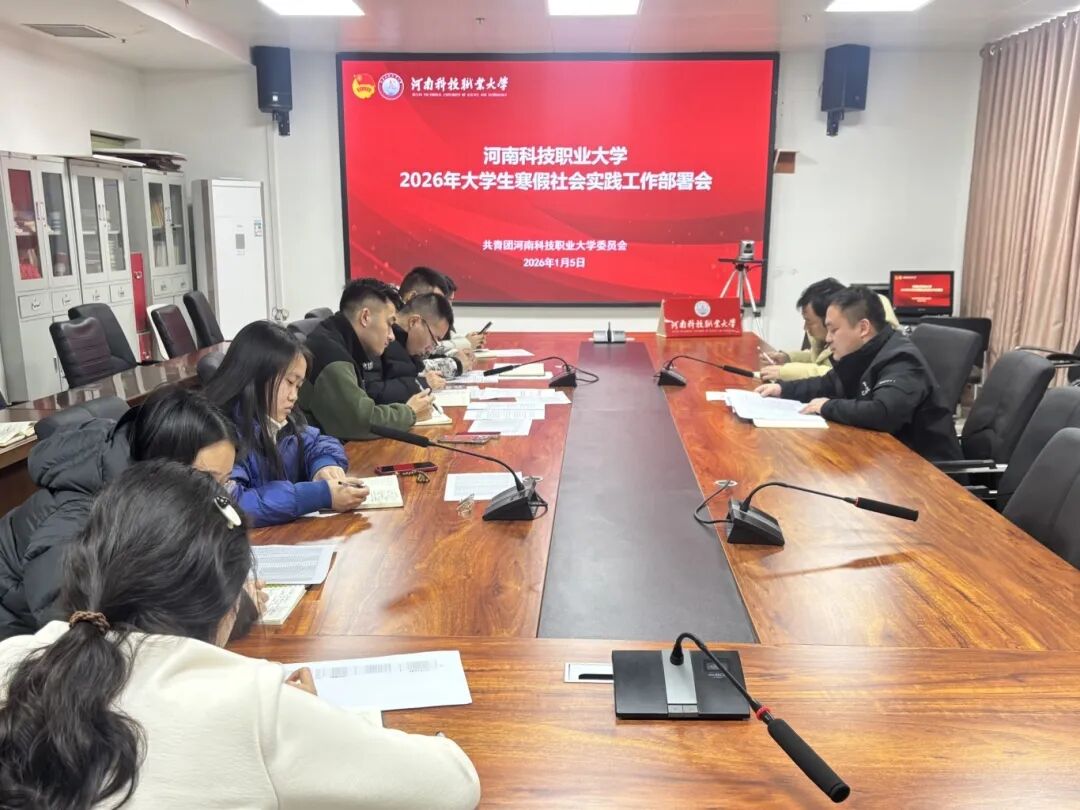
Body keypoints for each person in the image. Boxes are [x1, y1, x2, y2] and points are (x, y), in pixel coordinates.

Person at [0, 460, 482, 808]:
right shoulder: (247, 703)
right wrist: (313, 716)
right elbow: (452, 784)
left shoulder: (16, 656)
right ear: (228, 599)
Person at [0, 386, 240, 640]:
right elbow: (71, 624)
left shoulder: (153, 496)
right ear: (166, 466)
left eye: (224, 482)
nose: (216, 499)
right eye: (208, 481)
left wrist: (231, 604)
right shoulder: (80, 516)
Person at [756, 286, 962, 461]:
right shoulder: (862, 354)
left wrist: (827, 406)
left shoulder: (901, 360)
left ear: (863, 328)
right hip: (887, 460)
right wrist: (782, 389)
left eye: (834, 330)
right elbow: (827, 384)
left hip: (929, 474)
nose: (828, 339)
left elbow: (883, 413)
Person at [205, 321, 370, 527]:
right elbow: (231, 505)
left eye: (298, 386)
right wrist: (318, 495)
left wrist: (324, 465)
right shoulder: (218, 434)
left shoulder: (279, 423)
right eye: (290, 382)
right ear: (256, 375)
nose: (294, 396)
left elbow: (318, 442)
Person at [299, 278, 434, 441]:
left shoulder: (339, 338)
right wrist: (409, 413)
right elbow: (360, 422)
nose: (391, 336)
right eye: (389, 324)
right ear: (365, 317)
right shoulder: (332, 356)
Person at [760, 278, 901, 382]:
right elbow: (820, 359)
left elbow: (838, 375)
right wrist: (788, 358)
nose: (805, 327)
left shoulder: (858, 338)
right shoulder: (832, 337)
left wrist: (785, 372)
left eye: (808, 321)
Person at [365, 292, 455, 405]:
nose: (431, 349)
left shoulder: (406, 348)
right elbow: (372, 393)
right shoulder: (376, 339)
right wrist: (420, 383)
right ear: (414, 322)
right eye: (434, 339)